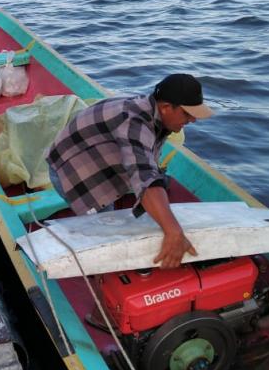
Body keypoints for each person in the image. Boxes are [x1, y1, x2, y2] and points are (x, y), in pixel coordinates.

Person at [46, 73, 214, 269]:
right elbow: (144, 175)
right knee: (104, 228)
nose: (192, 120)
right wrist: (173, 231)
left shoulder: (154, 111)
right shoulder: (134, 122)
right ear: (166, 107)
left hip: (96, 153)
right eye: (187, 114)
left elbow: (145, 163)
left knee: (152, 188)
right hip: (71, 167)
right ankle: (96, 268)